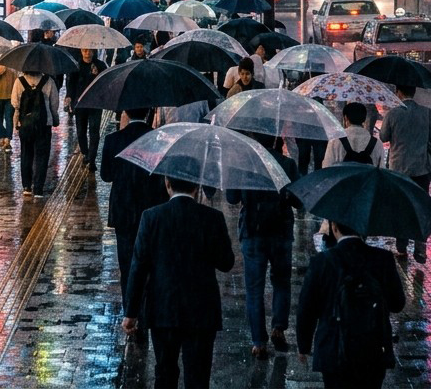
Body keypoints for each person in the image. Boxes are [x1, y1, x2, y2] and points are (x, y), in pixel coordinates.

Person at [122, 177, 235, 389]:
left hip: (163, 309)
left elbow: (139, 267)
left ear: (167, 184)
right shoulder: (212, 218)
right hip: (202, 312)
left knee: (165, 374)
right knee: (198, 377)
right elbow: (226, 263)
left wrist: (131, 313)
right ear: (196, 186)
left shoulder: (151, 217)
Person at [295, 220, 407, 389]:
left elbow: (307, 308)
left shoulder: (321, 262)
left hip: (333, 350)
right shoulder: (383, 259)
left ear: (334, 227)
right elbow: (397, 304)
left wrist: (303, 345)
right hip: (373, 349)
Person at [226, 134, 300, 360]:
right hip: (281, 232)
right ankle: (279, 327)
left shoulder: (244, 165)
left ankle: (259, 342)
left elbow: (231, 197)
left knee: (254, 289)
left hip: (253, 232)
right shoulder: (287, 164)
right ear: (276, 139)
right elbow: (298, 200)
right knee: (282, 282)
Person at [100, 108, 168, 320]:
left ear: (126, 113)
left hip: (123, 211)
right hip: (151, 209)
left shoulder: (113, 140)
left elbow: (106, 175)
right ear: (148, 112)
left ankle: (130, 313)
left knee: (127, 265)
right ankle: (147, 311)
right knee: (150, 263)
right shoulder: (158, 139)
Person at [378, 85, 431, 263]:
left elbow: (383, 137)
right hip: (422, 169)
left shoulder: (393, 114)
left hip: (399, 169)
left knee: (401, 207)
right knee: (420, 207)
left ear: (398, 93)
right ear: (414, 92)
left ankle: (402, 247)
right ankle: (420, 248)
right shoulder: (426, 113)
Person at [12, 68, 60, 196]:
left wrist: (16, 123)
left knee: (26, 154)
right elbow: (54, 104)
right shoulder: (49, 81)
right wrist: (55, 120)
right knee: (42, 155)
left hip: (25, 124)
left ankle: (27, 186)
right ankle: (38, 188)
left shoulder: (19, 81)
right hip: (44, 124)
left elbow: (15, 105)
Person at [65, 48, 108, 169]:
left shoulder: (100, 65)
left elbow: (105, 82)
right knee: (81, 131)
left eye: (89, 51)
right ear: (81, 51)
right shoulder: (76, 66)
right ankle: (85, 153)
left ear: (93, 52)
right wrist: (69, 97)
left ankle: (92, 159)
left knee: (94, 131)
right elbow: (71, 83)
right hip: (80, 104)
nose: (87, 53)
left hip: (95, 103)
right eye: (84, 51)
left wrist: (96, 75)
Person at [324, 102, 385, 168]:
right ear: (364, 119)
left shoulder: (335, 141)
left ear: (345, 118)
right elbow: (381, 169)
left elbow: (327, 167)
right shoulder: (377, 143)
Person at [0, 62, 17, 150]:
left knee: (7, 118)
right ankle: (3, 137)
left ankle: (6, 138)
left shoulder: (13, 65)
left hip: (8, 96)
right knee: (2, 118)